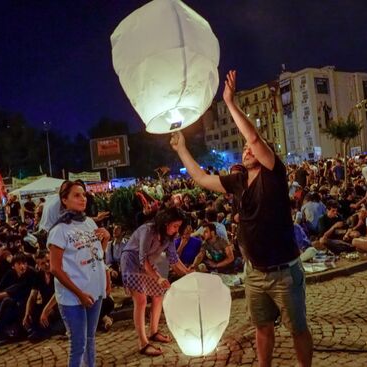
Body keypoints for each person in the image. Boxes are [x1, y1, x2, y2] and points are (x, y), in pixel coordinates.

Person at [171, 70, 312, 367]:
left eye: (252, 149)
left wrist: (230, 103)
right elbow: (200, 178)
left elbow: (253, 136)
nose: (247, 149)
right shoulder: (237, 181)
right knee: (262, 328)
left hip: (284, 272)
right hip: (255, 273)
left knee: (297, 328)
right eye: (245, 149)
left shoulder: (274, 173)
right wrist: (182, 149)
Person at [48, 181, 111, 367]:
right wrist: (80, 294)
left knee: (90, 339)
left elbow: (96, 255)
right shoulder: (59, 231)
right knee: (78, 344)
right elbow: (55, 268)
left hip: (94, 292)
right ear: (64, 200)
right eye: (76, 195)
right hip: (73, 297)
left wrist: (105, 240)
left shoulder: (89, 222)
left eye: (83, 194)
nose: (82, 199)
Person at [120, 207, 191, 357]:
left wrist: (188, 273)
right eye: (175, 226)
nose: (177, 230)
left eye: (179, 226)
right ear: (166, 223)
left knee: (158, 294)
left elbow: (174, 259)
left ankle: (153, 332)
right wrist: (158, 277)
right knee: (141, 300)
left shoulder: (169, 237)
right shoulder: (148, 230)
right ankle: (143, 342)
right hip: (132, 262)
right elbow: (142, 258)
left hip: (148, 265)